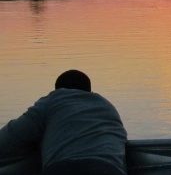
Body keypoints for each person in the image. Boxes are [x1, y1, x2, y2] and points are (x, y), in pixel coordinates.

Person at [0, 70, 128, 175]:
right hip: (109, 169)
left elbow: (11, 137)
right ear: (89, 91)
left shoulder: (54, 100)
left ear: (58, 90)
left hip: (65, 168)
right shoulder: (107, 107)